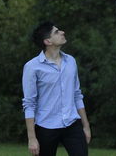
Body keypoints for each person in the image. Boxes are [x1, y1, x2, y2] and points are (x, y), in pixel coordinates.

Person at [22, 21, 91, 156]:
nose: (62, 32)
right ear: (48, 41)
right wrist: (32, 138)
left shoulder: (71, 61)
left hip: (72, 124)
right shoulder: (32, 67)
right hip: (45, 127)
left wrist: (86, 126)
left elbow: (77, 95)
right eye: (57, 32)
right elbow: (29, 104)